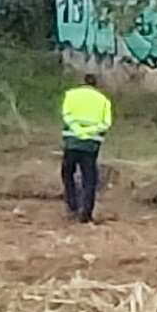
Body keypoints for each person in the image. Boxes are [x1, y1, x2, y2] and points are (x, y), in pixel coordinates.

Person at [57, 79, 114, 223]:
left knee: (67, 172)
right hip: (91, 144)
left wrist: (79, 131)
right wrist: (88, 132)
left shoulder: (71, 95)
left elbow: (67, 116)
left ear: (82, 83)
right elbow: (106, 124)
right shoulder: (103, 100)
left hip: (72, 141)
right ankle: (86, 212)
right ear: (96, 86)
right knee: (89, 177)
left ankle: (72, 205)